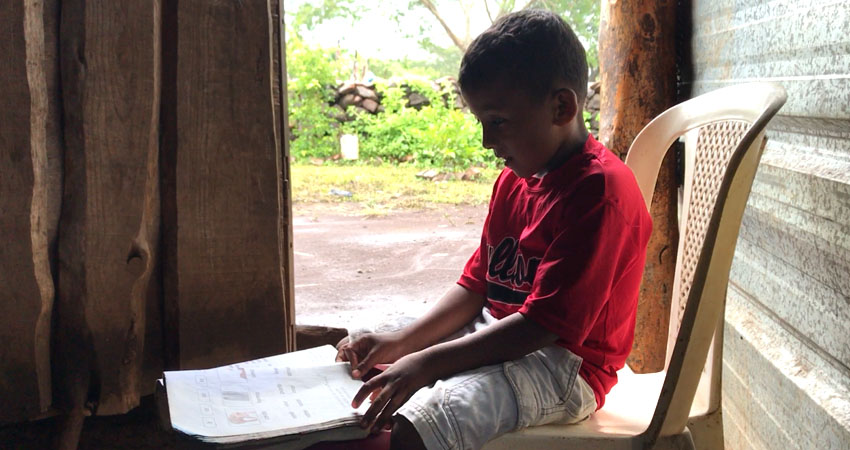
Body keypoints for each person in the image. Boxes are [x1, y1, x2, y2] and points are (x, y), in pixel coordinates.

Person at [336, 9, 653, 450]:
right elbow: (475, 287)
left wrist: (427, 363)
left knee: (426, 421)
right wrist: (402, 343)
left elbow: (539, 328)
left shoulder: (600, 193)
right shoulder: (514, 180)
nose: (487, 142)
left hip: (563, 366)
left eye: (498, 122)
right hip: (497, 330)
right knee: (370, 352)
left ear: (562, 107)